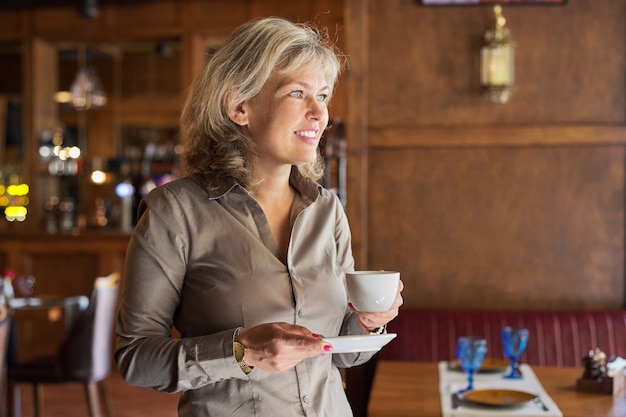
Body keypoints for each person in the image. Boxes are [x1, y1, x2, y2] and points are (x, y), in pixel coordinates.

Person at [115, 16, 403, 417]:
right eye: (297, 93)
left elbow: (341, 355)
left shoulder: (327, 210)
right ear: (239, 107)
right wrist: (241, 351)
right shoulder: (175, 211)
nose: (318, 113)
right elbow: (136, 359)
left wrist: (369, 323)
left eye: (322, 95)